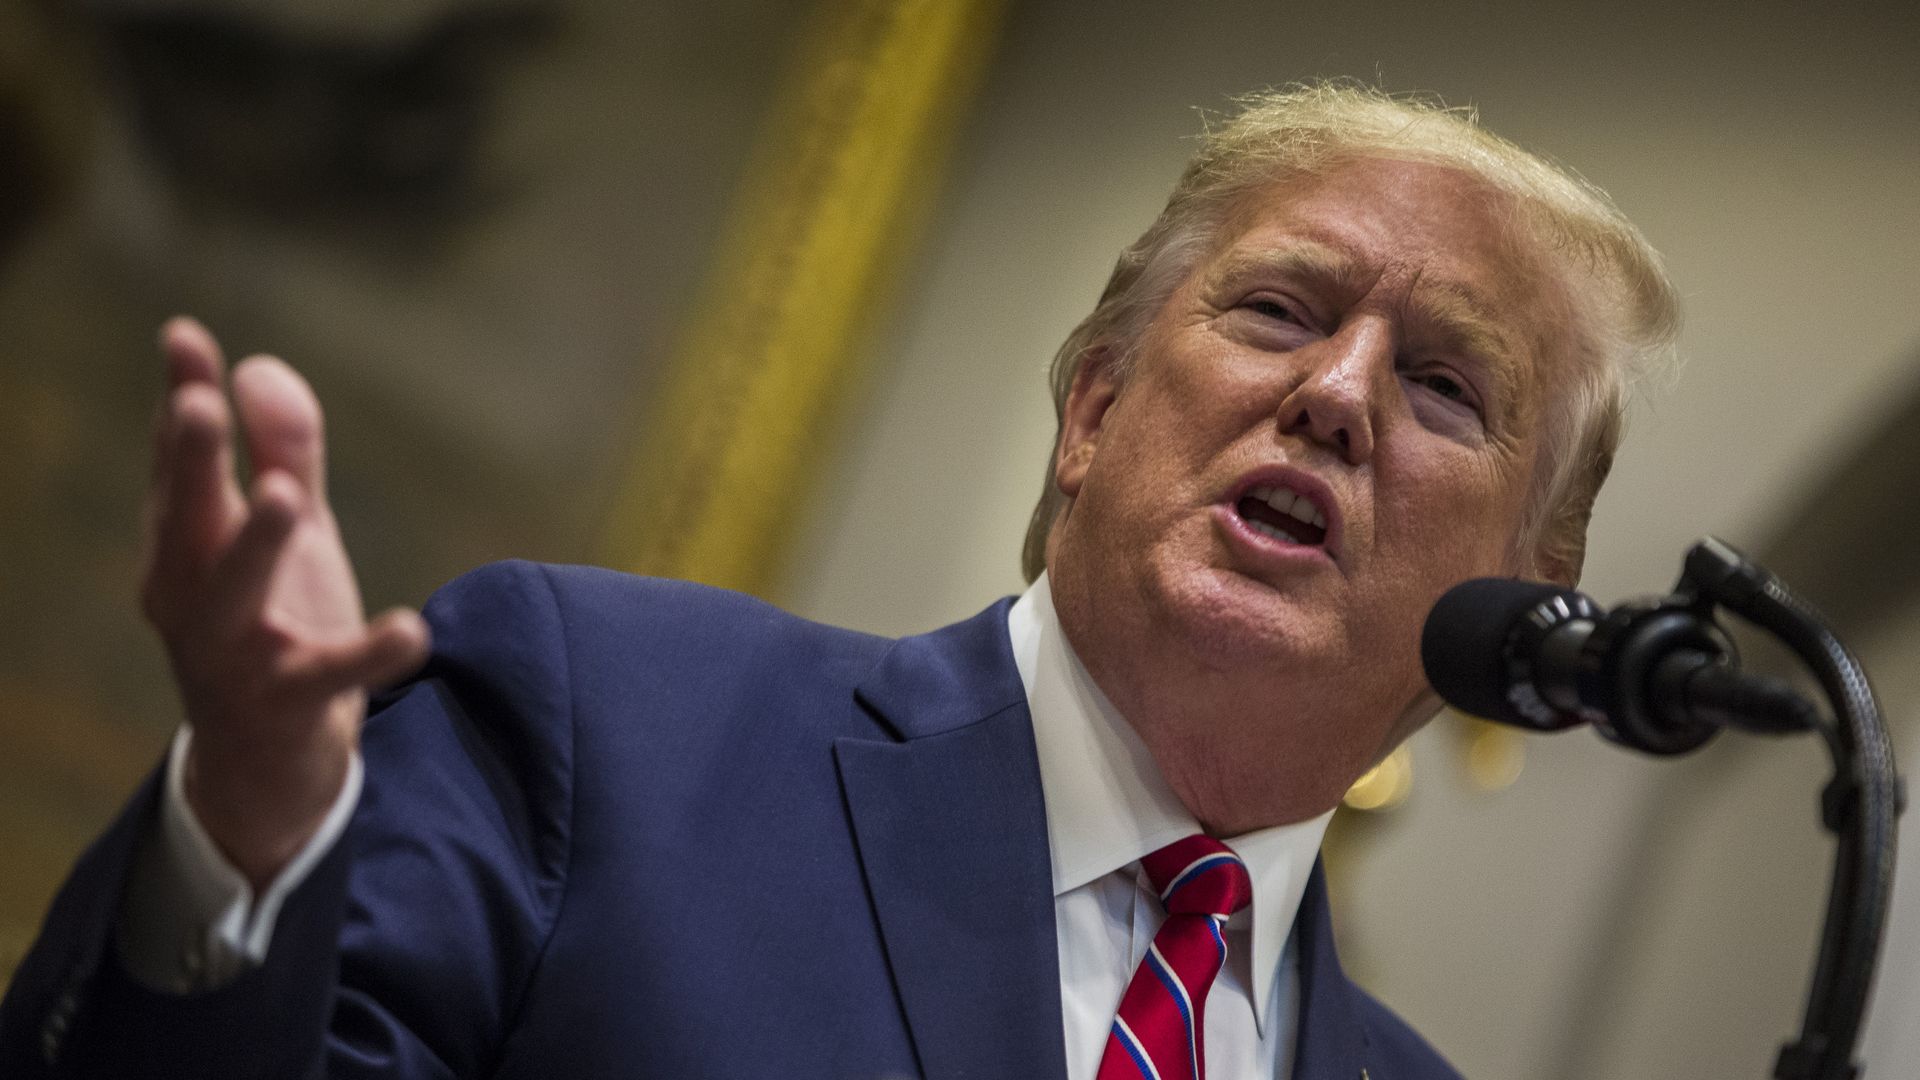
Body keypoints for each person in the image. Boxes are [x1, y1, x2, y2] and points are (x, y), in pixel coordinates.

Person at [0, 82, 1677, 1079]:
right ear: (1093, 409)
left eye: (1446, 387)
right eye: (1279, 312)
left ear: (1531, 592)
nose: (1335, 394)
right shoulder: (598, 720)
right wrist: (241, 850)